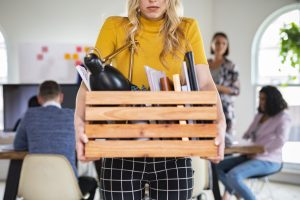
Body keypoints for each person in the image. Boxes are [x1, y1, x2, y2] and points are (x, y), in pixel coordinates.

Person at [75, 0, 226, 199]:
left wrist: (220, 122)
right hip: (122, 148)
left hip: (174, 149)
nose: (153, 0)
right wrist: (79, 123)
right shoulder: (114, 26)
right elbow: (89, 82)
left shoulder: (187, 28)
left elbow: (205, 83)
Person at [13, 80, 97, 200]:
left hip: (34, 187)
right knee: (92, 183)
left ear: (39, 99)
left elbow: (18, 146)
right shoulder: (72, 116)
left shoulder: (29, 115)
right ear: (61, 97)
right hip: (68, 187)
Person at [216, 85, 291, 200]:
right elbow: (247, 135)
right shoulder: (260, 115)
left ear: (272, 99)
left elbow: (280, 141)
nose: (261, 102)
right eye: (260, 98)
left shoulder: (283, 117)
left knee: (233, 175)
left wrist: (260, 150)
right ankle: (237, 191)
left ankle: (239, 193)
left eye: (264, 99)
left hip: (269, 159)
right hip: (251, 155)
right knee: (217, 166)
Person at [208, 32, 240, 146]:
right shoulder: (206, 64)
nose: (220, 46)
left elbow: (236, 90)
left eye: (223, 43)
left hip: (225, 108)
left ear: (227, 46)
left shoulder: (231, 66)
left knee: (225, 142)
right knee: (208, 140)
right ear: (212, 45)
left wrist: (215, 87)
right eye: (217, 43)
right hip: (207, 106)